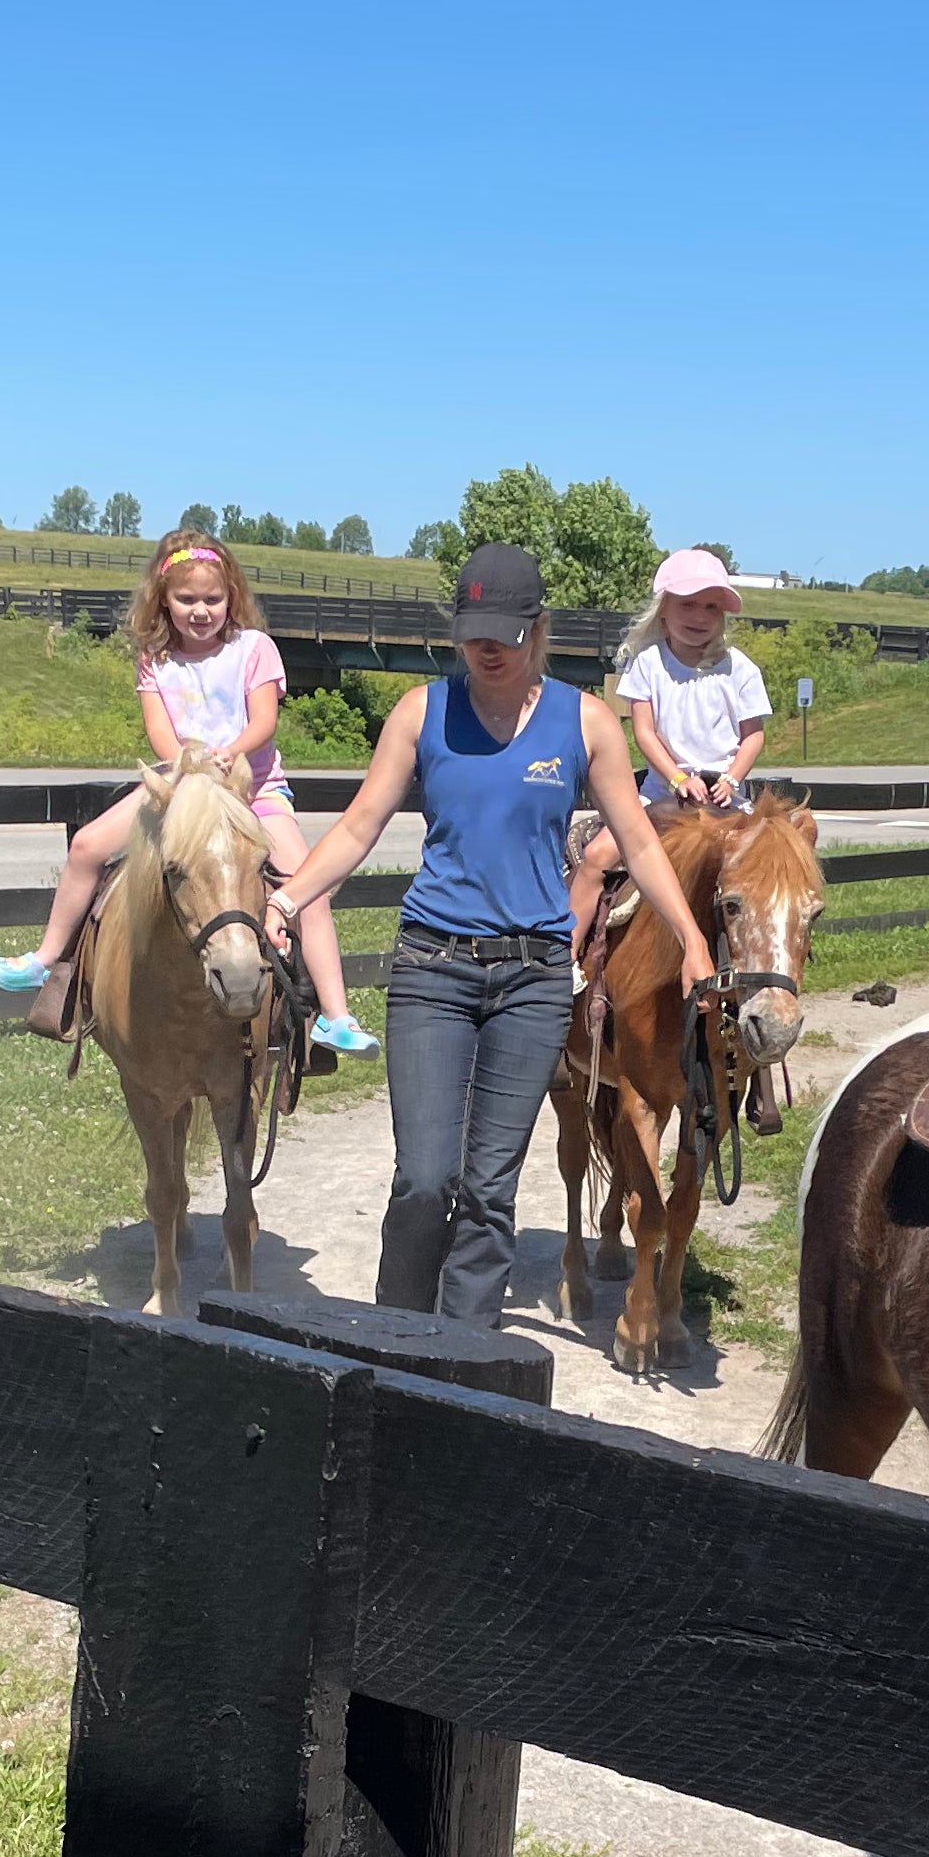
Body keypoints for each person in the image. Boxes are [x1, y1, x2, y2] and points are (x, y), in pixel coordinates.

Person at [265, 541, 714, 1328]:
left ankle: (461, 1368)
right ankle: (397, 1337)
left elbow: (639, 842)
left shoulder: (585, 722)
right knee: (425, 1178)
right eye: (475, 631)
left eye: (505, 632)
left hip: (534, 979)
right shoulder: (420, 712)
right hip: (432, 968)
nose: (488, 648)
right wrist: (290, 899)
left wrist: (693, 938)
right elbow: (360, 824)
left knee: (488, 1189)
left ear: (537, 629)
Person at [0, 532, 379, 1056]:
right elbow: (160, 733)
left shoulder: (253, 649)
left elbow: (264, 720)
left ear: (231, 598)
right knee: (86, 848)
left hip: (251, 790)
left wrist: (229, 754)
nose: (200, 611)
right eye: (187, 599)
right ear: (163, 601)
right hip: (177, 791)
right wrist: (189, 768)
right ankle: (49, 960)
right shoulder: (156, 658)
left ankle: (335, 1014)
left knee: (307, 886)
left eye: (212, 600)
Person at [566, 545, 772, 963]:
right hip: (663, 793)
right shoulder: (648, 665)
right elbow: (645, 733)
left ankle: (770, 967)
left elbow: (752, 737)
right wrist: (679, 778)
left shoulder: (741, 669)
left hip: (726, 798)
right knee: (597, 857)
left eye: (711, 607)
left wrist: (731, 778)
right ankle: (565, 960)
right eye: (688, 605)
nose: (699, 617)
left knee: (773, 870)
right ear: (664, 611)